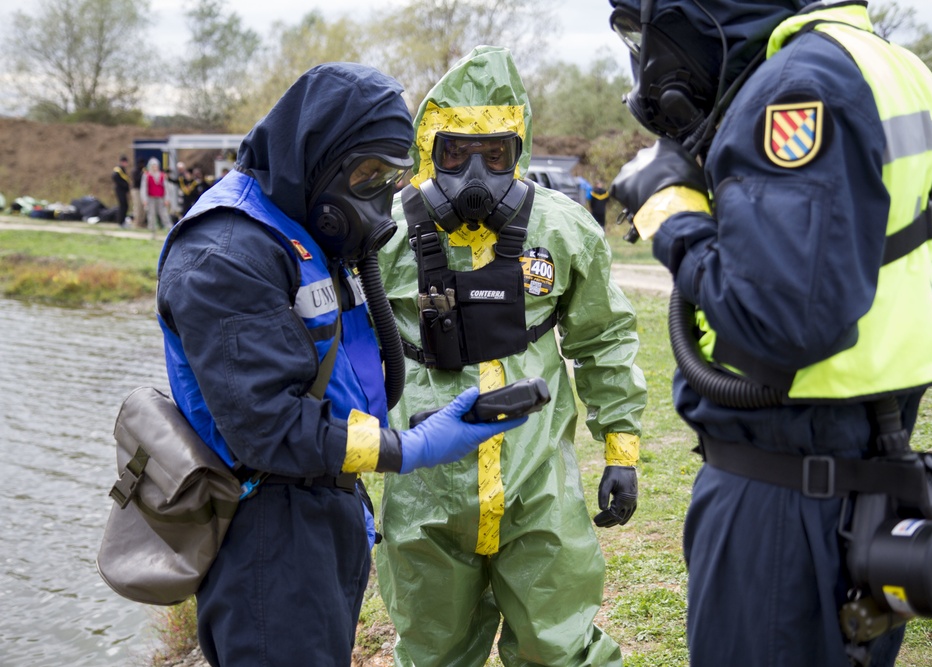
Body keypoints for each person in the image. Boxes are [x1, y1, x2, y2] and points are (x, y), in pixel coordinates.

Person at [607, 1, 932, 666]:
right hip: (864, 471)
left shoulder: (798, 87)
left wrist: (672, 216)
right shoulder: (885, 65)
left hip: (786, 498)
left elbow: (781, 319)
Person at [155, 62, 526, 667]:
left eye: (390, 177)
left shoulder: (300, 224)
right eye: (365, 175)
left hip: (323, 506)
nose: (377, 198)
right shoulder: (226, 253)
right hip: (269, 527)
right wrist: (407, 449)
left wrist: (412, 419)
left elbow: (330, 368)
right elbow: (269, 427)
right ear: (315, 155)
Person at [376, 46, 647, 667]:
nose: (476, 174)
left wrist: (621, 453)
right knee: (431, 652)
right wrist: (344, 464)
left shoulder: (562, 229)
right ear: (429, 150)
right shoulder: (384, 233)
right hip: (426, 491)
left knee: (558, 647)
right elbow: (345, 353)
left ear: (518, 148)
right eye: (455, 154)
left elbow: (604, 339)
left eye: (494, 154)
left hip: (538, 486)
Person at [139, 157, 169, 234]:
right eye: (153, 166)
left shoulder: (162, 175)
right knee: (151, 214)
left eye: (156, 166)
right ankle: (152, 230)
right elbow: (144, 188)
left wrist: (166, 199)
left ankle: (168, 228)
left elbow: (166, 187)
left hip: (160, 198)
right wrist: (144, 199)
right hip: (151, 198)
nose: (155, 167)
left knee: (163, 214)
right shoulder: (147, 175)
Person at [111, 155, 131, 228]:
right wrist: (123, 185)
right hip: (120, 190)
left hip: (123, 190)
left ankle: (122, 221)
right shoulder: (118, 170)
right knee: (122, 206)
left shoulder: (122, 169)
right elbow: (115, 177)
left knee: (125, 205)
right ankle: (120, 222)